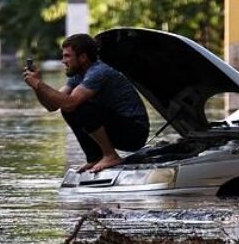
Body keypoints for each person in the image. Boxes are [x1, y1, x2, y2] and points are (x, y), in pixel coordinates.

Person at [23, 33, 149, 173]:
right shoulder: (78, 74)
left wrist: (39, 84)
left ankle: (110, 156)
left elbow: (71, 103)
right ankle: (95, 157)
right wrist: (36, 86)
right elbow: (53, 105)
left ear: (83, 57)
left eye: (67, 56)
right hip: (119, 128)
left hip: (134, 132)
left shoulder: (99, 72)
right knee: (68, 109)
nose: (63, 61)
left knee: (80, 107)